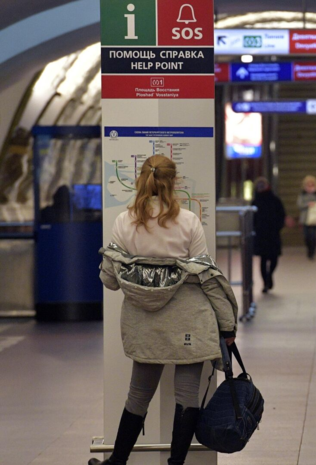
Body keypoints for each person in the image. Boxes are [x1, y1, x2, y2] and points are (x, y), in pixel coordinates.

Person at [90, 156, 237, 465]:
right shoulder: (188, 222)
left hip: (144, 325)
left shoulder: (124, 222)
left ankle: (117, 461)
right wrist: (227, 326)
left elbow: (109, 281)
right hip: (190, 321)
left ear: (142, 179)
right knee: (187, 396)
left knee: (138, 396)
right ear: (174, 182)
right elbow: (207, 278)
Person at [251, 177, 286, 293]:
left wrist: (279, 227)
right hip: (261, 234)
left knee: (274, 259)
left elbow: (281, 214)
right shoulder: (255, 202)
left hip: (273, 233)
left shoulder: (275, 200)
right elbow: (252, 219)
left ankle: (269, 275)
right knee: (263, 259)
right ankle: (265, 282)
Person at [297, 175, 316, 260]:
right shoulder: (302, 195)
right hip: (305, 218)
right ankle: (309, 250)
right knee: (307, 236)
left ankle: (312, 252)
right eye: (308, 185)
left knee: (313, 236)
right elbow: (299, 205)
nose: (310, 187)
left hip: (315, 218)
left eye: (312, 185)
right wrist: (308, 205)